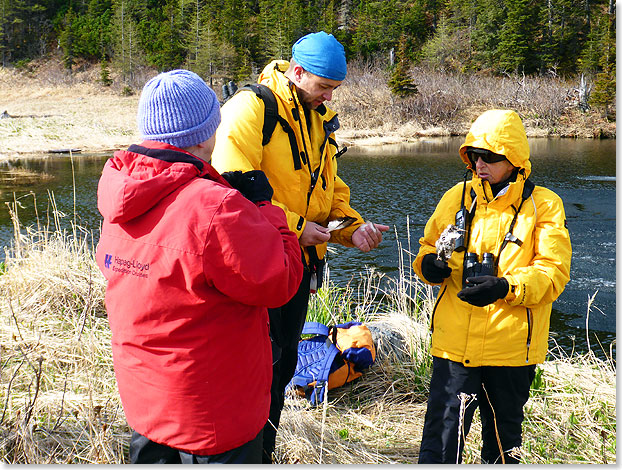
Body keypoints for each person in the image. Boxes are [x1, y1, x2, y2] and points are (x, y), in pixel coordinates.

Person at [95, 69, 303, 464]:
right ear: (207, 132)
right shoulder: (214, 206)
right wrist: (266, 209)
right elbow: (280, 281)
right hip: (213, 417)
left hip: (147, 403)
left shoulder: (118, 192)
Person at [211, 31, 390, 463]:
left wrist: (353, 228)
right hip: (255, 265)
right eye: (324, 86)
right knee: (252, 369)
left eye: (334, 89)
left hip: (297, 269)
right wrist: (294, 227)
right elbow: (228, 185)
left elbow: (328, 191)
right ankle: (236, 455)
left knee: (281, 366)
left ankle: (263, 455)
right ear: (297, 72)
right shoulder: (251, 109)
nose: (328, 96)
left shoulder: (318, 117)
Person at [412, 109, 571, 464]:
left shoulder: (544, 205)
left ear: (514, 160)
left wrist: (505, 287)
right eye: (474, 156)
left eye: (491, 157)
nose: (480, 164)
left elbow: (553, 274)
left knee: (503, 445)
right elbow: (427, 245)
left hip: (511, 350)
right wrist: (428, 265)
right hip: (454, 347)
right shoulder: (457, 196)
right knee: (440, 443)